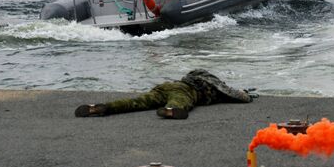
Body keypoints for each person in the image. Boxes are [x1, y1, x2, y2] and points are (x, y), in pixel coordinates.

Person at [75, 69, 255, 119]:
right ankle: (170, 110)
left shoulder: (189, 76)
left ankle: (104, 107)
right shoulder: (211, 83)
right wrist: (247, 95)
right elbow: (233, 93)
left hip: (164, 87)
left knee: (137, 102)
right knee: (181, 104)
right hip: (183, 91)